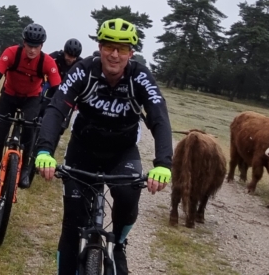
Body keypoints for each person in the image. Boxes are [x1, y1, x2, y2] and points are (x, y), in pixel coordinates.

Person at [33, 18, 173, 275]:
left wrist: (163, 164)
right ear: (99, 47)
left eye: (122, 49)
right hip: (82, 149)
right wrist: (44, 151)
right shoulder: (84, 70)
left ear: (132, 52)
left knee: (128, 195)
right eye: (109, 46)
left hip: (122, 151)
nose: (115, 54)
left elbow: (159, 116)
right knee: (72, 225)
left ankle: (118, 242)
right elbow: (56, 109)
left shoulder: (140, 76)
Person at [0, 23, 61, 199]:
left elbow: (57, 89)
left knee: (29, 131)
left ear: (42, 46)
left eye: (36, 47)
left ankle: (23, 170)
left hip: (31, 99)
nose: (32, 50)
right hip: (8, 96)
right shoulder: (11, 53)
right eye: (29, 45)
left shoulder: (47, 62)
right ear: (23, 42)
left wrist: (51, 112)